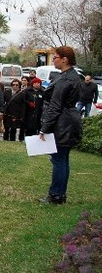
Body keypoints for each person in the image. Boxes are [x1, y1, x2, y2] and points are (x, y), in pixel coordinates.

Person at [39, 46, 82, 205]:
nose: (54, 59)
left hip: (63, 123)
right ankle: (60, 194)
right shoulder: (71, 76)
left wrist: (45, 128)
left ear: (65, 59)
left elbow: (55, 106)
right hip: (68, 120)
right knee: (62, 159)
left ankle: (56, 195)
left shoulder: (66, 79)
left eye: (56, 57)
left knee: (58, 159)